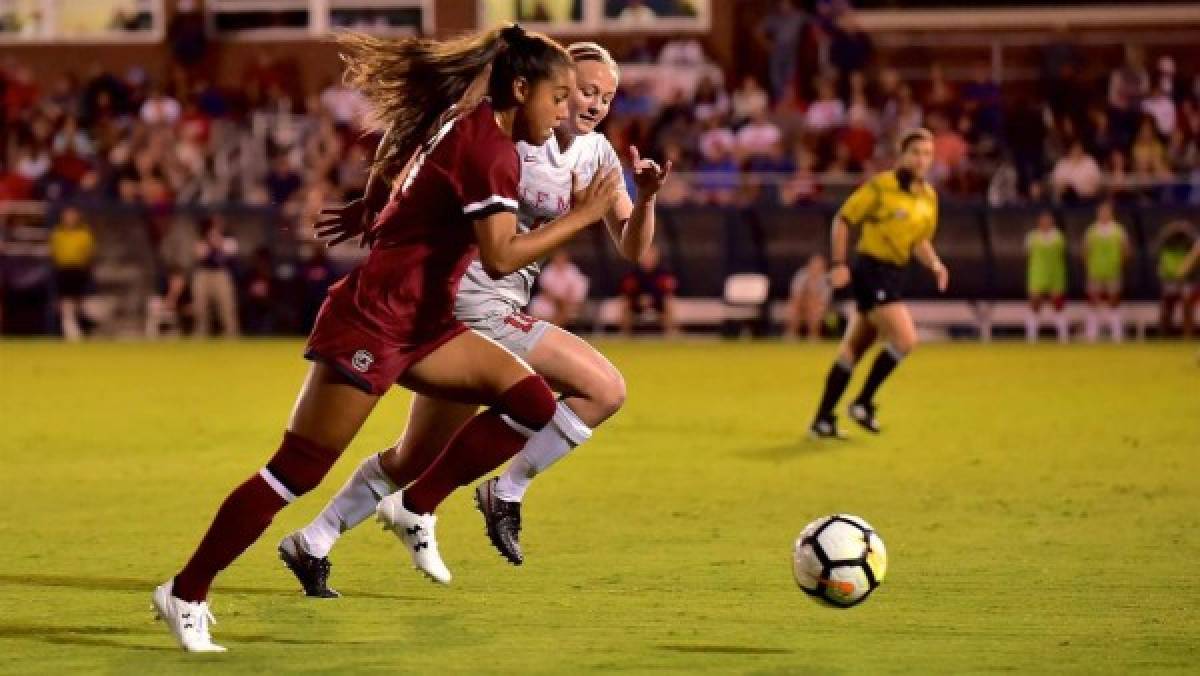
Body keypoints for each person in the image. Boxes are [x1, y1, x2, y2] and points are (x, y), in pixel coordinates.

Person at [152, 25, 618, 652]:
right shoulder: (490, 151)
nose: (565, 112)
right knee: (295, 473)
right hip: (374, 322)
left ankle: (415, 504)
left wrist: (376, 208)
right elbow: (503, 257)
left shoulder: (471, 125)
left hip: (431, 325)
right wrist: (586, 216)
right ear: (520, 87)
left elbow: (399, 150)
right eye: (558, 97)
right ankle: (186, 590)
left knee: (534, 403)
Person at [280, 43, 669, 597]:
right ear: (553, 85)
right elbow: (418, 127)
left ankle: (313, 541)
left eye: (607, 96)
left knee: (414, 456)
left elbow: (634, 250)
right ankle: (498, 494)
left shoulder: (598, 156)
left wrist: (647, 199)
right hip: (468, 297)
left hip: (498, 305)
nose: (594, 104)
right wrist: (373, 199)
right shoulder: (512, 127)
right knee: (603, 388)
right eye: (584, 90)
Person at [809, 128, 948, 439]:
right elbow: (843, 219)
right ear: (902, 155)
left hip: (895, 274)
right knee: (905, 339)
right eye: (915, 152)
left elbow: (920, 241)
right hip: (871, 270)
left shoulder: (929, 198)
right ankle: (862, 403)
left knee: (854, 349)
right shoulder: (882, 187)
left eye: (927, 154)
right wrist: (840, 263)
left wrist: (936, 264)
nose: (921, 160)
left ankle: (822, 420)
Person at [1083, 200, 1130, 343]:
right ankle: (1091, 333)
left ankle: (1116, 333)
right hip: (1095, 271)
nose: (1104, 214)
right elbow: (1086, 250)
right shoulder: (1091, 230)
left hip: (1113, 271)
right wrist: (1089, 266)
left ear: (1111, 214)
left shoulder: (1118, 230)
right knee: (1093, 301)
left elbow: (1125, 250)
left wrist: (1119, 265)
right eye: (1101, 212)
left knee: (1114, 301)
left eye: (1106, 212)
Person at [49, 206, 95, 341]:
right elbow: (54, 251)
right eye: (67, 215)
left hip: (80, 270)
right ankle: (65, 330)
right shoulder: (57, 233)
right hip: (63, 270)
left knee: (79, 302)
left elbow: (89, 252)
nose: (70, 218)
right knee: (64, 302)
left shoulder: (84, 234)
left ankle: (81, 329)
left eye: (72, 215)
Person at [191, 215, 241, 337]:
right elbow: (200, 255)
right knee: (200, 308)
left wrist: (218, 242)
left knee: (227, 307)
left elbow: (232, 253)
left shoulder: (229, 239)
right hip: (204, 274)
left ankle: (231, 335)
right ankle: (201, 334)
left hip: (221, 273)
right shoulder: (201, 239)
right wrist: (209, 242)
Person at [1024, 210, 1069, 343]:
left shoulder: (1058, 236)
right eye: (1043, 220)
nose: (1045, 223)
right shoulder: (1031, 236)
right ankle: (1032, 337)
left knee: (1057, 304)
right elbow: (1028, 254)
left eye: (1048, 220)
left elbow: (1062, 254)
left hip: (1055, 274)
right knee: (1034, 303)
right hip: (1037, 274)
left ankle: (1063, 336)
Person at [620, 241, 679, 336]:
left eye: (651, 254)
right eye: (646, 255)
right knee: (624, 306)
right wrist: (639, 301)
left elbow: (668, 294)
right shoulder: (632, 276)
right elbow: (626, 296)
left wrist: (653, 301)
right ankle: (625, 336)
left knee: (669, 304)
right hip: (636, 306)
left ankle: (671, 335)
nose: (648, 258)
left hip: (658, 306)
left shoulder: (664, 275)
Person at [1154, 220, 1197, 338]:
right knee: (1167, 306)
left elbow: (1194, 258)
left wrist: (1185, 272)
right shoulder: (1165, 243)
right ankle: (1163, 335)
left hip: (1186, 279)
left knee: (1187, 306)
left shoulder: (1190, 242)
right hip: (1169, 278)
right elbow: (1161, 263)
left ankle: (1188, 335)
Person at [531, 249, 590, 327]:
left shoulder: (572, 270)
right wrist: (558, 300)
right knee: (538, 306)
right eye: (557, 257)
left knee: (567, 309)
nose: (559, 260)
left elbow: (579, 286)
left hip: (568, 302)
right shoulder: (548, 270)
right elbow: (545, 290)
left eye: (561, 257)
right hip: (550, 301)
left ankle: (554, 329)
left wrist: (569, 299)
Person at [785, 254, 832, 341]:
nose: (815, 269)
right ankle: (791, 335)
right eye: (813, 266)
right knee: (792, 308)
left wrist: (811, 304)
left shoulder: (827, 280)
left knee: (817, 311)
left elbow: (823, 302)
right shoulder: (801, 275)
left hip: (816, 306)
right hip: (801, 304)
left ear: (824, 268)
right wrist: (805, 304)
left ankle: (813, 336)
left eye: (819, 267)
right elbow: (795, 297)